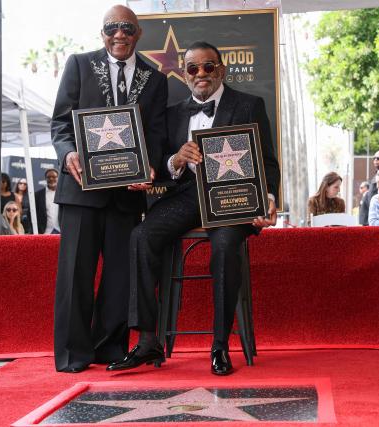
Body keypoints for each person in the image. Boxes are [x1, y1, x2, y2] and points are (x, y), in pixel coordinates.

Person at [107, 41, 280, 376]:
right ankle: (146, 340)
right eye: (193, 68)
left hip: (233, 200)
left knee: (225, 247)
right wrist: (176, 159)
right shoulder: (173, 113)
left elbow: (268, 163)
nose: (201, 74)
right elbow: (158, 164)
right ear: (185, 75)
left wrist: (267, 201)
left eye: (208, 67)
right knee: (142, 236)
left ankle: (219, 345)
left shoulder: (249, 105)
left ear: (222, 70)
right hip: (187, 197)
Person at [50, 4, 167, 373]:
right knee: (74, 276)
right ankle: (72, 354)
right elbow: (59, 124)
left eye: (127, 28)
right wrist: (68, 153)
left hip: (127, 195)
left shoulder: (156, 78)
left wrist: (149, 166)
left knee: (120, 277)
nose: (119, 34)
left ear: (138, 33)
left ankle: (109, 347)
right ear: (102, 32)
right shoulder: (79, 64)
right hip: (81, 192)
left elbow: (157, 134)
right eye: (112, 28)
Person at [359, 150, 379, 225]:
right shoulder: (378, 174)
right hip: (369, 219)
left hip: (376, 219)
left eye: (378, 158)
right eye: (374, 158)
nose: (375, 160)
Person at [34, 168, 60, 234]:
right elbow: (31, 213)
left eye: (54, 177)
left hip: (61, 231)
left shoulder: (63, 194)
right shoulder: (38, 195)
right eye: (48, 177)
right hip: (44, 232)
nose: (51, 179)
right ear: (45, 179)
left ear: (58, 178)